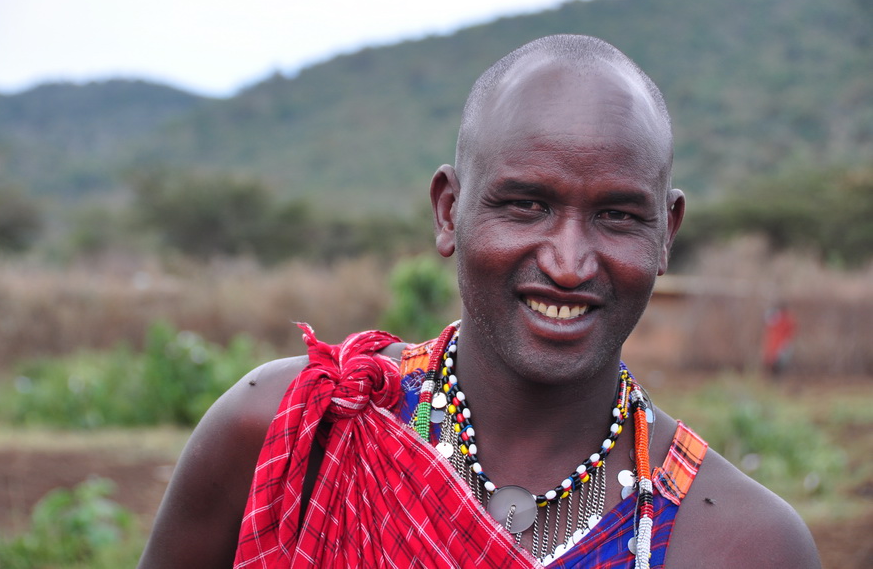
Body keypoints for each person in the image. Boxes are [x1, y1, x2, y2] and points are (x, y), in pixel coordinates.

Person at [138, 35, 820, 568]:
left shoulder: (743, 544)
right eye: (526, 205)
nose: (569, 263)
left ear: (665, 233)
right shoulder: (296, 432)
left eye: (617, 215)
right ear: (449, 210)